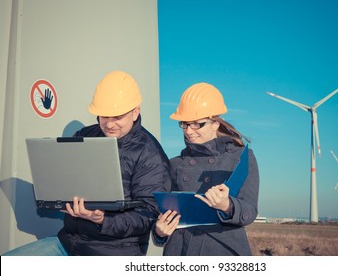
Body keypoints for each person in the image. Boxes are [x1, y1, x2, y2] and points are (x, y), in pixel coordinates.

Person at [3, 71, 171, 256]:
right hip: (68, 243)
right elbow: (66, 179)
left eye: (117, 117)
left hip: (113, 252)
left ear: (135, 113)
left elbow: (148, 214)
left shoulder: (150, 154)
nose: (109, 124)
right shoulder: (85, 135)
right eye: (103, 116)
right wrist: (57, 196)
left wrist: (102, 220)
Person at [153, 82, 259, 256]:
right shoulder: (174, 164)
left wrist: (227, 205)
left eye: (197, 124)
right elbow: (160, 215)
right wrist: (159, 232)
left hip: (221, 249)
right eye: (184, 124)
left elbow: (249, 210)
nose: (189, 131)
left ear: (215, 124)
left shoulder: (240, 158)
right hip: (179, 251)